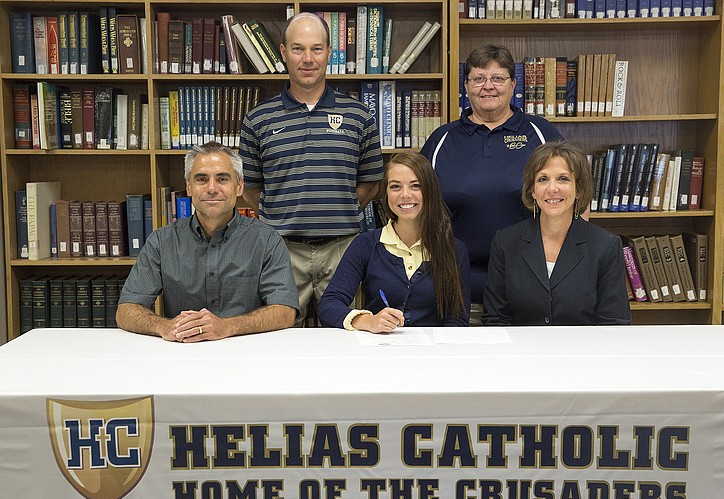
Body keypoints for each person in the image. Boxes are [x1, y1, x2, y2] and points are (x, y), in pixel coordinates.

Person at [239, 13, 384, 326]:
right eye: (298, 49)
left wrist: (337, 210)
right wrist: (283, 213)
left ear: (329, 53)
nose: (308, 59)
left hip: (343, 249)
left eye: (316, 49)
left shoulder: (359, 116)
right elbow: (250, 189)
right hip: (282, 251)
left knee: (348, 334)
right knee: (280, 337)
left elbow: (371, 183)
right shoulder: (257, 120)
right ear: (283, 52)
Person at [420, 44, 564, 324]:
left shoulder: (541, 133)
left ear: (512, 85)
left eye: (498, 78)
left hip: (529, 291)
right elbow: (415, 209)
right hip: (458, 293)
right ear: (466, 86)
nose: (488, 86)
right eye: (478, 79)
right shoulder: (441, 140)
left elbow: (575, 200)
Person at [117, 142, 299, 342]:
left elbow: (285, 311)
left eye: (222, 179)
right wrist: (164, 326)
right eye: (201, 179)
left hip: (247, 351)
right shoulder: (161, 242)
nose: (212, 188)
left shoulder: (267, 240)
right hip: (183, 351)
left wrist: (227, 326)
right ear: (189, 187)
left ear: (239, 187)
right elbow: (126, 310)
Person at [318, 152, 470, 332]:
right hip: (380, 350)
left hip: (432, 354)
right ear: (385, 193)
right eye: (396, 186)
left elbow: (458, 321)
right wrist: (367, 320)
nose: (405, 195)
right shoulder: (365, 244)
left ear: (430, 191)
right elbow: (328, 305)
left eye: (416, 186)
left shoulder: (454, 249)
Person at [483, 141, 631, 326]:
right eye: (543, 179)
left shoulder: (605, 246)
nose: (552, 188)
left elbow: (614, 322)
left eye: (563, 179)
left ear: (579, 190)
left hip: (583, 352)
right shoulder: (505, 242)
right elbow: (496, 319)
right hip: (522, 352)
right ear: (533, 191)